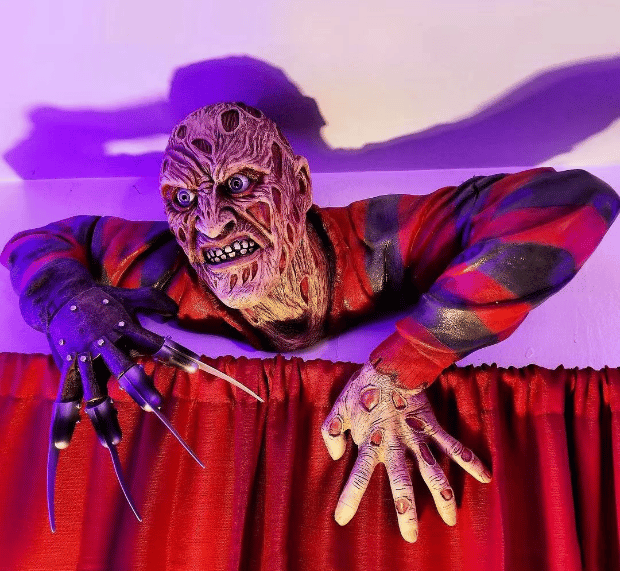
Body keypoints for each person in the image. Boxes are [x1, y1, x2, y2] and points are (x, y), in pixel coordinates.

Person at [2, 102, 619, 543]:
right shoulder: (165, 268)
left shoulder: (374, 242)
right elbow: (36, 242)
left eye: (238, 184)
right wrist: (68, 301)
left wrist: (404, 367)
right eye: (184, 199)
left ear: (298, 185)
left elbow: (572, 201)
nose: (209, 222)